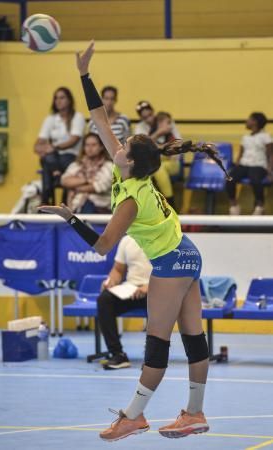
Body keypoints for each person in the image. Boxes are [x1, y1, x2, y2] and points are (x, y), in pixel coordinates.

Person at [39, 41, 231, 442]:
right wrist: (84, 74)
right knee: (193, 336)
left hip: (172, 263)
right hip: (186, 256)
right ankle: (194, 413)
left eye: (124, 146)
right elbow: (99, 119)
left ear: (130, 160)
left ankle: (134, 416)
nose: (118, 145)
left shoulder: (130, 198)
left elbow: (103, 247)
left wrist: (70, 216)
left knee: (157, 342)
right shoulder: (132, 172)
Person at [97, 234, 151, 370]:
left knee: (156, 302)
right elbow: (117, 269)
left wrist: (150, 287)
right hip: (131, 289)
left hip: (156, 289)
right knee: (104, 299)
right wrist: (111, 281)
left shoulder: (163, 237)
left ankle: (152, 357)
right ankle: (117, 354)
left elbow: (169, 271)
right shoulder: (127, 240)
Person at [34, 87, 86, 204]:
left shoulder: (77, 117)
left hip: (71, 157)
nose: (58, 101)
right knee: (47, 157)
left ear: (69, 100)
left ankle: (45, 202)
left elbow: (74, 140)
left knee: (47, 163)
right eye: (56, 98)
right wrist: (44, 149)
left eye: (62, 98)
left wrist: (54, 147)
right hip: (53, 157)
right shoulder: (50, 119)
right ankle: (57, 174)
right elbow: (37, 144)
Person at [226, 112, 273, 215]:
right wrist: (236, 167)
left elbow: (270, 155)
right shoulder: (245, 138)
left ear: (255, 122)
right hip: (244, 165)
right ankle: (234, 205)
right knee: (229, 178)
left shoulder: (266, 137)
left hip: (259, 166)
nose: (246, 121)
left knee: (255, 180)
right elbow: (240, 154)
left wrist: (270, 171)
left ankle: (259, 206)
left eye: (249, 119)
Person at [135, 104, 182, 207]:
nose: (149, 119)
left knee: (158, 168)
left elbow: (178, 144)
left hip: (171, 162)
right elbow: (141, 147)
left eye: (150, 115)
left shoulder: (165, 120)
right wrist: (159, 133)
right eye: (145, 117)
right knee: (147, 171)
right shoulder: (140, 128)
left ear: (153, 111)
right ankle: (144, 205)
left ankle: (170, 202)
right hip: (153, 163)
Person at [61, 132, 113, 214]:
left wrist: (76, 188)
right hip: (77, 207)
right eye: (87, 145)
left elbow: (99, 187)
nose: (90, 148)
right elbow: (65, 181)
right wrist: (86, 180)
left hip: (100, 208)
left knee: (87, 206)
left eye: (93, 145)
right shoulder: (77, 164)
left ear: (101, 147)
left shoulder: (109, 166)